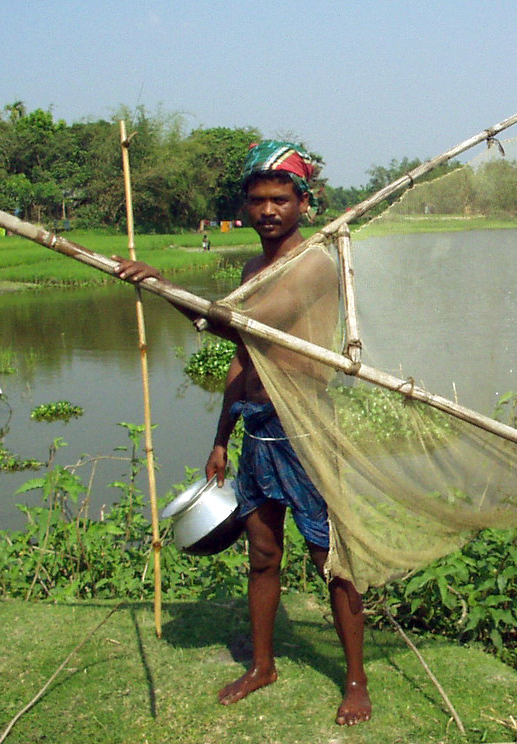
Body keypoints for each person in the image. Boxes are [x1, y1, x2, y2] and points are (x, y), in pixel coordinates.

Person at [114, 140, 371, 726]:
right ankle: (262, 664)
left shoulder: (310, 265)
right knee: (261, 552)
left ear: (304, 204)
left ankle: (355, 678)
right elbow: (244, 362)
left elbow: (237, 329)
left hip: (304, 428)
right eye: (258, 200)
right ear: (246, 205)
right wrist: (221, 436)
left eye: (281, 199)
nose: (268, 211)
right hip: (259, 429)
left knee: (330, 558)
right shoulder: (254, 267)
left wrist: (161, 288)